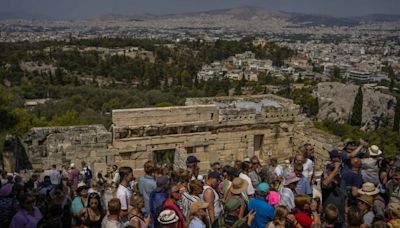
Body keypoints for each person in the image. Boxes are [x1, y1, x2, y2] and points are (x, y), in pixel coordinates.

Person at [321, 162, 347, 227]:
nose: (337, 171)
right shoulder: (326, 181)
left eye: (339, 169)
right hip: (328, 219)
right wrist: (335, 170)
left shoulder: (342, 181)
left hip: (340, 219)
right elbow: (324, 184)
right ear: (328, 171)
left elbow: (345, 197)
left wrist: (346, 212)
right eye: (332, 169)